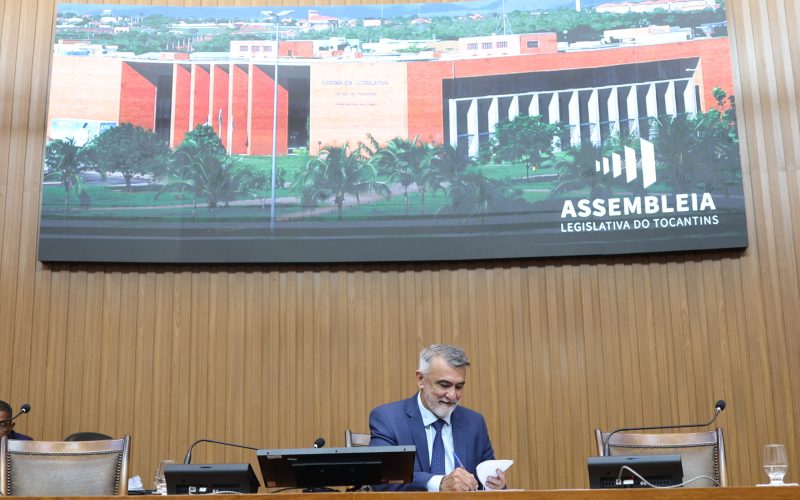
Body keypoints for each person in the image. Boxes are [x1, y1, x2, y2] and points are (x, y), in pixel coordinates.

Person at [369, 344, 507, 491]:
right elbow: (382, 477)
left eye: (459, 387)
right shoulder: (389, 418)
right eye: (444, 385)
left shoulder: (474, 423)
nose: (453, 395)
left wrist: (496, 484)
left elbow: (487, 482)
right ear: (420, 379)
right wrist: (439, 483)